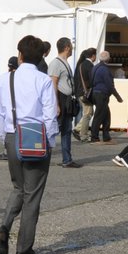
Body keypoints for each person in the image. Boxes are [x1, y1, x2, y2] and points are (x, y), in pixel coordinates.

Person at [0, 35, 57, 254]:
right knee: (33, 195)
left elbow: (0, 113)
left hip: (12, 135)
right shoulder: (44, 80)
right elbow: (50, 115)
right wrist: (50, 142)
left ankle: (3, 226)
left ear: (19, 55)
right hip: (35, 137)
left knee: (18, 187)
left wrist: (5, 137)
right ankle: (24, 249)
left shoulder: (5, 79)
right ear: (41, 57)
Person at [48, 37, 81, 168]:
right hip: (61, 100)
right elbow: (53, 84)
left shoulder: (64, 62)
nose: (72, 49)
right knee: (55, 130)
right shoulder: (56, 63)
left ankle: (67, 159)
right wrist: (56, 104)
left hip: (66, 100)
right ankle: (42, 156)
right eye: (71, 46)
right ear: (67, 47)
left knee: (66, 130)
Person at [88, 49, 122, 142]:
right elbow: (109, 85)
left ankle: (106, 136)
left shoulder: (95, 67)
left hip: (95, 93)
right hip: (101, 95)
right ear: (108, 59)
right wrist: (117, 96)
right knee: (99, 115)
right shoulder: (105, 70)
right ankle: (94, 136)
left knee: (106, 115)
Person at [73, 47, 97, 140]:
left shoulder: (81, 64)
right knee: (88, 113)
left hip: (80, 92)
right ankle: (83, 134)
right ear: (93, 56)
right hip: (85, 93)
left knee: (89, 112)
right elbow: (92, 80)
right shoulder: (89, 65)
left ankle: (78, 129)